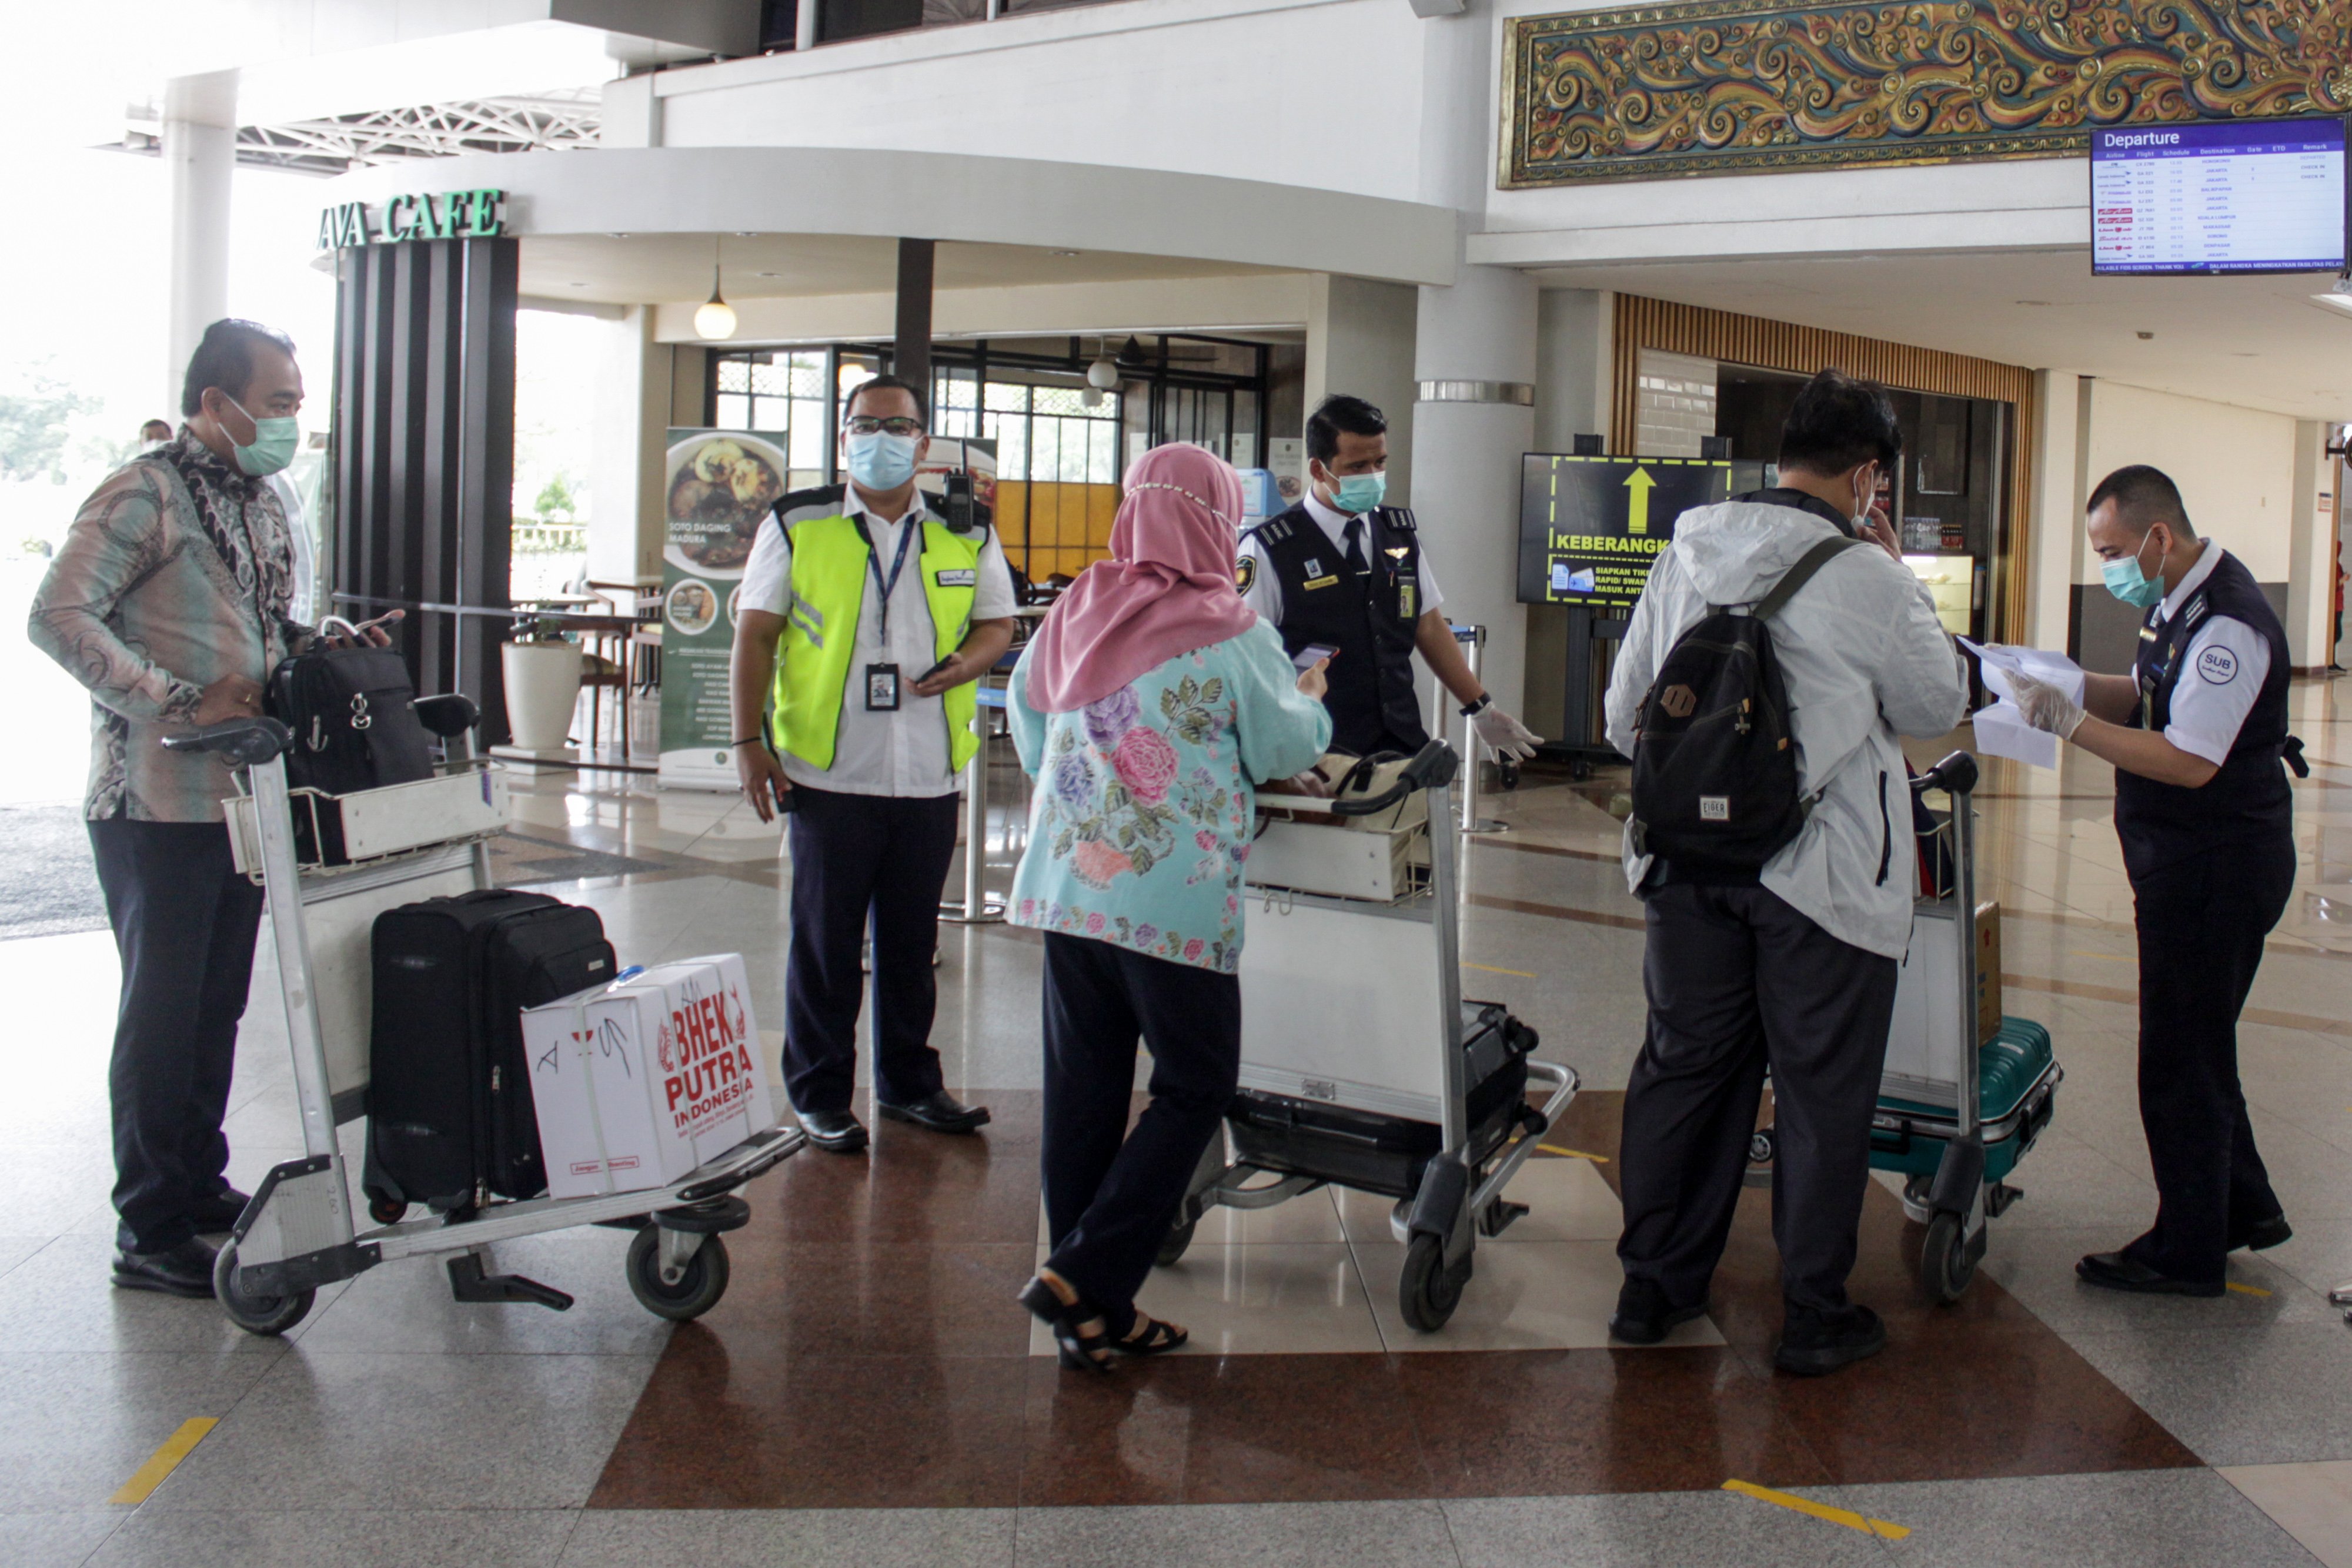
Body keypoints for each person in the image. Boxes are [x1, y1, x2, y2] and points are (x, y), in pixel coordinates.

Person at [1601, 369, 1967, 1374]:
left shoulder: (1686, 548)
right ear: (1866, 476)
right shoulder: (1871, 575)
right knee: (1818, 1089)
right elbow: (1936, 701)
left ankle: (1653, 1288)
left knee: (1685, 1066)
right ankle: (1812, 1312)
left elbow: (1619, 710)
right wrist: (1895, 581)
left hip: (1683, 868)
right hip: (1823, 879)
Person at [29, 319, 396, 1298]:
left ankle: (196, 1185)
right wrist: (176, 700)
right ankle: (148, 1225)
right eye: (276, 404)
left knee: (217, 1006)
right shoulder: (141, 491)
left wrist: (323, 639)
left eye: (296, 405)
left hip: (244, 799)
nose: (290, 422)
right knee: (163, 1011)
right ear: (212, 402)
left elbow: (259, 621)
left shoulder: (265, 497)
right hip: (153, 801)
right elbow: (57, 615)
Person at [1007, 443, 1332, 1369]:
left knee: (1085, 1094)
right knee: (1196, 1084)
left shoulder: (1076, 606)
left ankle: (1088, 1306)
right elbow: (1279, 745)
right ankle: (1085, 1275)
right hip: (1171, 905)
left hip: (1070, 886)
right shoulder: (1225, 625)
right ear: (1212, 519)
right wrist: (1309, 698)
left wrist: (1083, 784)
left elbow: (1030, 715)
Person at [2008, 465, 2301, 1295]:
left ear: (2158, 538)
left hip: (2218, 868)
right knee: (2201, 1046)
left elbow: (2188, 757)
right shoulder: (2174, 602)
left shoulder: (2229, 624)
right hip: (2189, 861)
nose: (2109, 565)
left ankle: (2187, 1249)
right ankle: (2239, 1208)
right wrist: (2061, 683)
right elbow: (2144, 694)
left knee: (2179, 1057)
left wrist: (2072, 725)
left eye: (2111, 550)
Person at [729, 374, 1018, 1154]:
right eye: (867, 424)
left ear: (924, 443)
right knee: (825, 944)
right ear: (844, 436)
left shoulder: (967, 527)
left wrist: (967, 663)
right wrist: (749, 742)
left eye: (899, 426)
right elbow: (755, 634)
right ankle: (821, 1094)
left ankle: (910, 1083)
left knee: (911, 942)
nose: (881, 437)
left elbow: (999, 620)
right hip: (829, 772)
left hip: (928, 771)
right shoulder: (799, 521)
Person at [1237, 394, 1539, 765]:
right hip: (1316, 749)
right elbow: (1248, 657)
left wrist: (1479, 707)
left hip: (1400, 739)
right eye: (1356, 466)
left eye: (1379, 462)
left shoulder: (1396, 533)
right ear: (1318, 470)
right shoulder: (1271, 547)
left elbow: (1427, 625)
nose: (1372, 476)